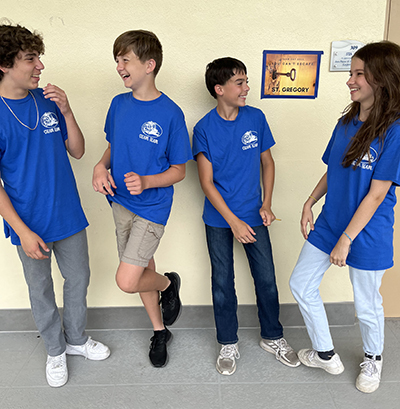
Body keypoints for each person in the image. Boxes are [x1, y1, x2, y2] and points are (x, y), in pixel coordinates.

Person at [0, 24, 110, 388]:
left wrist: (67, 110)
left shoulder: (47, 100)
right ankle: (54, 350)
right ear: (4, 64)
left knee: (78, 279)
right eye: (30, 59)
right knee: (41, 289)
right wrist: (22, 230)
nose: (40, 66)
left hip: (67, 213)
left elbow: (77, 150)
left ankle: (76, 340)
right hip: (27, 222)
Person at [289, 41, 400, 394]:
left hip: (366, 232)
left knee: (366, 303)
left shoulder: (395, 130)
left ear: (381, 79)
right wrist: (309, 202)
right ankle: (325, 353)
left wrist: (347, 239)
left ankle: (373, 358)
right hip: (330, 223)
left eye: (358, 74)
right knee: (301, 284)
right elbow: (334, 169)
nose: (349, 81)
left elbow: (378, 192)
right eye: (351, 73)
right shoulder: (347, 120)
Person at [192, 57, 300, 376]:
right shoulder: (204, 129)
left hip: (254, 215)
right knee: (223, 283)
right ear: (219, 88)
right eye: (239, 83)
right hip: (219, 219)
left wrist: (266, 204)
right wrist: (234, 222)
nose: (246, 88)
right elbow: (206, 183)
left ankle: (273, 336)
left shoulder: (255, 118)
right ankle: (228, 342)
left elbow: (267, 163)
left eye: (246, 81)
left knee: (266, 278)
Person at [92, 30, 191, 368]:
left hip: (152, 209)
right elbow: (112, 148)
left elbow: (179, 170)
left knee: (127, 279)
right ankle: (160, 330)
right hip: (119, 203)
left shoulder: (171, 113)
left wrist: (148, 181)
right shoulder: (118, 105)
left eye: (125, 60)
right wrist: (99, 167)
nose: (119, 67)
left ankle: (168, 285)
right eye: (117, 60)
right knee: (143, 266)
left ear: (149, 65)